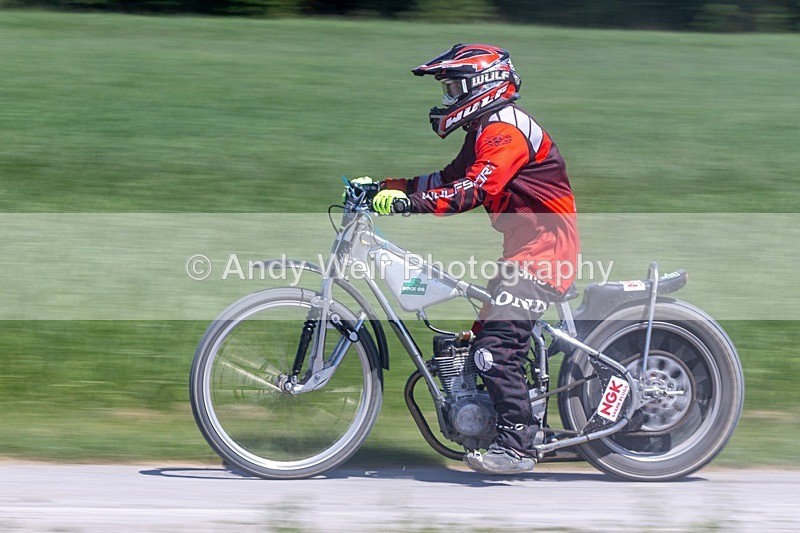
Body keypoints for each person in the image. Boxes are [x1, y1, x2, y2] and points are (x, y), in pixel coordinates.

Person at [353, 44, 580, 474]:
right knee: (473, 346)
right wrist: (384, 187)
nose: (448, 98)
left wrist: (407, 205)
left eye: (455, 86)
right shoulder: (485, 130)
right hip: (523, 254)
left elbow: (471, 191)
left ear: (483, 85)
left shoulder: (506, 132)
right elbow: (445, 178)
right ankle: (497, 424)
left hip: (545, 257)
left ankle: (518, 446)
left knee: (494, 352)